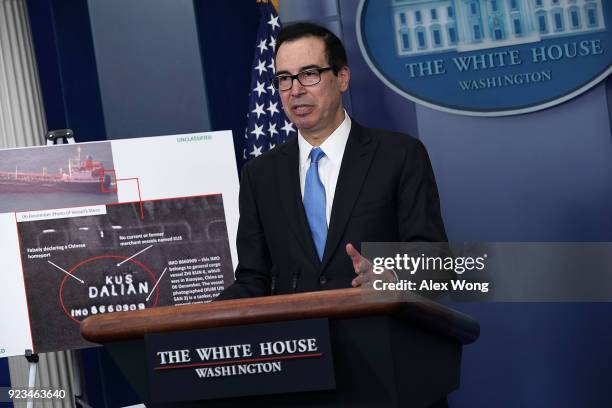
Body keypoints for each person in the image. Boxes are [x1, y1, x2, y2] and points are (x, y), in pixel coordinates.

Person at [216, 22, 447, 300]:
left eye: (309, 74)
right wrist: (191, 321)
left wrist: (392, 276)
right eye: (284, 79)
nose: (295, 90)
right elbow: (254, 280)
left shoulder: (399, 155)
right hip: (302, 339)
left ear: (342, 78)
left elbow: (436, 263)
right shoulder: (260, 174)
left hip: (381, 332)